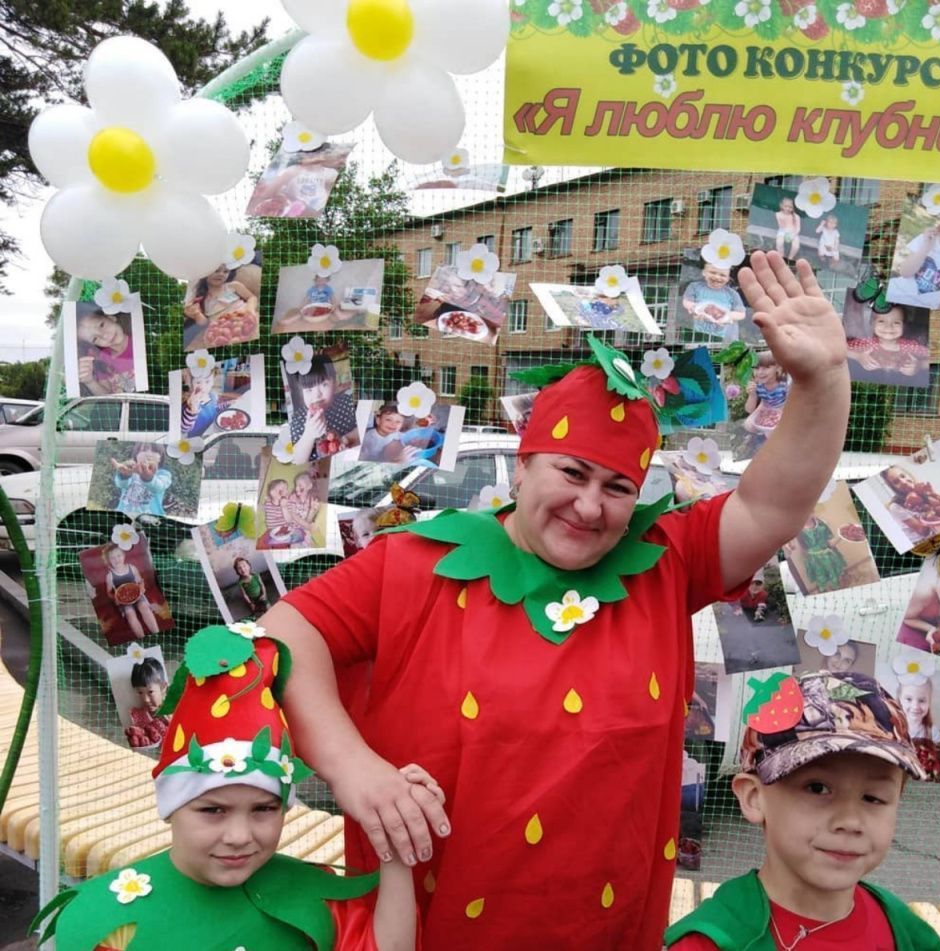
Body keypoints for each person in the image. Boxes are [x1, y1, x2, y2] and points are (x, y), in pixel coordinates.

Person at [257, 250, 852, 950]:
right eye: (571, 471)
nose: (590, 505)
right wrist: (355, 768)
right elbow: (284, 632)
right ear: (522, 461)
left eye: (618, 487)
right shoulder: (415, 561)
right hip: (431, 922)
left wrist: (825, 378)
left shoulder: (665, 562)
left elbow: (775, 499)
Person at [33, 622, 437, 950]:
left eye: (264, 809)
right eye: (212, 810)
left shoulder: (311, 893)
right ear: (170, 807)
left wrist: (396, 843)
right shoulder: (104, 918)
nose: (240, 836)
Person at [664, 670, 940, 950]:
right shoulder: (712, 942)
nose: (849, 821)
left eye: (873, 798)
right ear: (753, 797)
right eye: (817, 788)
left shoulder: (904, 931)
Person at [288, 354, 360, 464]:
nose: (317, 395)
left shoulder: (348, 403)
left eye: (324, 385)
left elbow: (363, 429)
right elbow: (296, 460)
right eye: (309, 390)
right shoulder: (298, 419)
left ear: (335, 382)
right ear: (301, 392)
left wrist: (347, 439)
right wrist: (309, 435)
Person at [845, 306, 929, 386]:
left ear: (904, 326)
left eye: (896, 322)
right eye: (881, 321)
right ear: (873, 324)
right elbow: (840, 348)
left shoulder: (910, 346)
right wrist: (858, 356)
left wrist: (920, 365)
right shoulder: (866, 344)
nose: (888, 327)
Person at [103, 544, 160, 639]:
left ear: (124, 556)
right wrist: (115, 598)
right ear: (108, 560)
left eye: (118, 556)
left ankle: (156, 632)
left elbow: (140, 580)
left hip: (137, 594)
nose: (116, 559)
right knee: (130, 614)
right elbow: (108, 592)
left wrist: (141, 588)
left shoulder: (132, 568)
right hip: (123, 599)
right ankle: (141, 637)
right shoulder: (109, 576)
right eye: (112, 558)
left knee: (144, 608)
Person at [77, 306, 136, 395]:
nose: (105, 336)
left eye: (101, 325)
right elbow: (105, 396)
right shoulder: (102, 360)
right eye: (95, 339)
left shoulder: (139, 345)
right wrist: (90, 381)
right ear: (94, 345)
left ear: (110, 317)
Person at [681, 263, 746, 341]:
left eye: (722, 275)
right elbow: (687, 301)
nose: (717, 277)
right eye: (712, 272)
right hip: (701, 332)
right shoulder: (694, 287)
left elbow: (741, 314)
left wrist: (728, 316)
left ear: (728, 278)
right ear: (704, 272)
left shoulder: (732, 293)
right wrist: (694, 307)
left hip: (725, 335)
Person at [110, 444, 172, 517]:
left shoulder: (163, 474)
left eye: (155, 451)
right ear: (136, 455)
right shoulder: (131, 470)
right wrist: (124, 475)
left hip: (151, 519)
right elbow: (121, 484)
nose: (149, 454)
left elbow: (158, 486)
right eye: (144, 450)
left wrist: (148, 478)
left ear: (160, 458)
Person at [792, 515, 847, 594]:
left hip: (830, 557)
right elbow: (797, 546)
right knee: (820, 577)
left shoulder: (821, 524)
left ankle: (835, 588)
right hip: (815, 561)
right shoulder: (797, 531)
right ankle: (823, 590)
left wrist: (841, 536)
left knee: (834, 574)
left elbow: (830, 543)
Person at [125, 657, 169, 749]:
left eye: (150, 692)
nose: (145, 699)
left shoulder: (175, 709)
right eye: (140, 692)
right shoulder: (137, 716)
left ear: (163, 687)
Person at [743, 351, 789, 436]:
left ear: (778, 368)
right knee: (748, 425)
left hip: (783, 407)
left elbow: (791, 402)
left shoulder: (784, 383)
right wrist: (752, 395)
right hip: (765, 405)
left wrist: (779, 413)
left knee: (774, 430)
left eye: (766, 368)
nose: (760, 372)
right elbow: (749, 410)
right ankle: (764, 431)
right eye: (756, 368)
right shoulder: (757, 384)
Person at [898, 678, 940, 743]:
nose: (915, 706)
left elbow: (936, 752)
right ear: (900, 700)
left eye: (921, 700)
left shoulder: (933, 732)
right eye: (909, 699)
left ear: (929, 702)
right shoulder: (893, 728)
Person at [287, 471, 322, 546]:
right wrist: (307, 525)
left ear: (309, 486)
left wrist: (312, 509)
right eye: (296, 485)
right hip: (294, 528)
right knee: (295, 545)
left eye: (300, 485)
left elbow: (308, 520)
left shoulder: (311, 500)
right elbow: (293, 514)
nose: (296, 488)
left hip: (305, 528)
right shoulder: (293, 497)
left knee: (309, 543)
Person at [774, 196, 801, 261]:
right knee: (779, 243)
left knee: (796, 246)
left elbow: (798, 228)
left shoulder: (796, 216)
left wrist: (793, 235)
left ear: (793, 208)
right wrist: (782, 218)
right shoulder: (778, 214)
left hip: (793, 232)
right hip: (782, 231)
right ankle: (781, 256)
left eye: (790, 207)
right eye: (786, 206)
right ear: (782, 206)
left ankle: (790, 257)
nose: (788, 209)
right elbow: (780, 226)